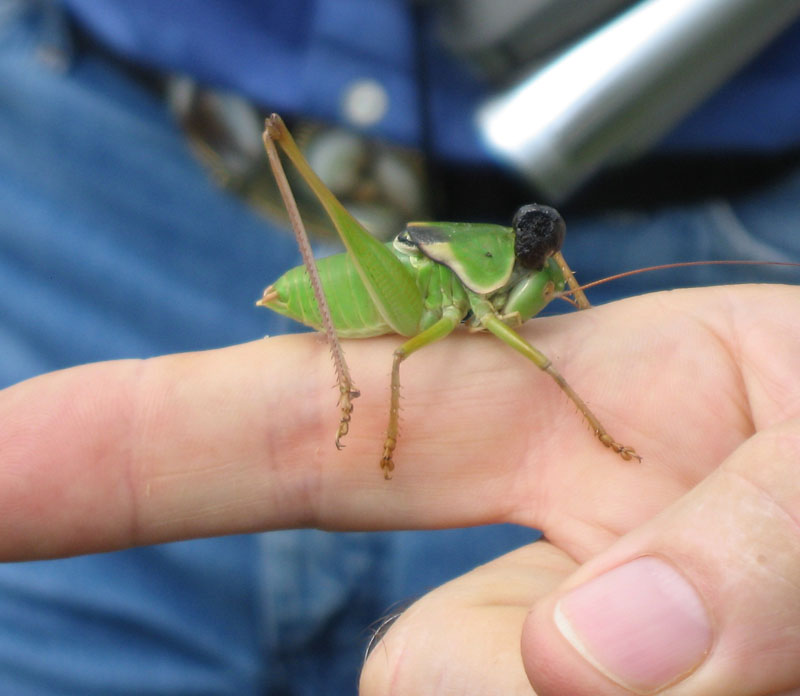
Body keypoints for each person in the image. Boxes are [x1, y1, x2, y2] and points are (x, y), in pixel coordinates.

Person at [1, 1, 799, 694]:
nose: (545, 286)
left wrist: (576, 300)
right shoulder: (472, 294)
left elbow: (543, 271)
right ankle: (346, 387)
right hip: (126, 139)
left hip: (705, 178)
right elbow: (423, 351)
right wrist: (370, 408)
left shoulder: (523, 264)